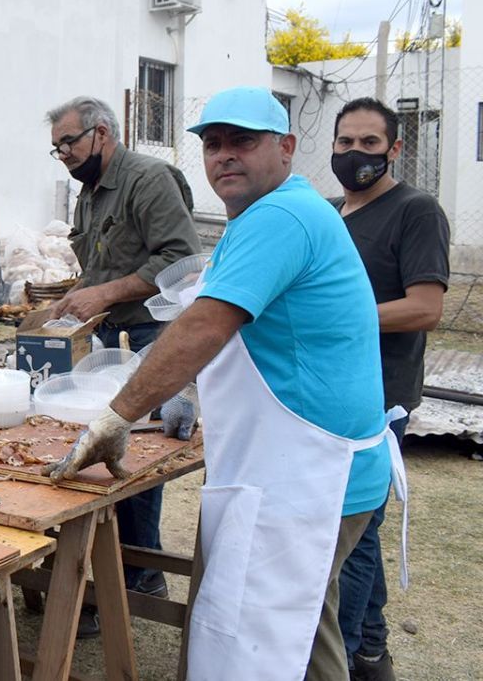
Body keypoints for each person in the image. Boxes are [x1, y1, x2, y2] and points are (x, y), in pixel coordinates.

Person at [47, 87, 400, 679]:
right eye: (213, 144)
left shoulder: (281, 217)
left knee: (266, 642)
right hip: (299, 464)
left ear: (286, 148)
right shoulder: (267, 215)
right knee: (304, 634)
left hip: (306, 475)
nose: (225, 155)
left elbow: (206, 323)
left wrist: (117, 415)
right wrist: (185, 392)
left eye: (243, 141)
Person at [45, 95, 201, 630]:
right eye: (56, 146)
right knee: (101, 439)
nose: (63, 153)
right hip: (114, 330)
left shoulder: (149, 179)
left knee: (136, 449)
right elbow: (101, 264)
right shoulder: (87, 194)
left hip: (154, 330)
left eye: (69, 141)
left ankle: (139, 567)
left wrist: (105, 291)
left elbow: (181, 259)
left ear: (102, 133)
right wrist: (66, 302)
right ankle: (104, 568)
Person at [330, 97, 448, 681]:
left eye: (370, 144)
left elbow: (425, 307)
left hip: (380, 396)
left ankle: (352, 656)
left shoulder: (415, 211)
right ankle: (372, 648)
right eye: (345, 143)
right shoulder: (327, 213)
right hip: (324, 394)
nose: (355, 155)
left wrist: (340, 316)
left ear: (394, 149)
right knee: (354, 526)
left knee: (352, 528)